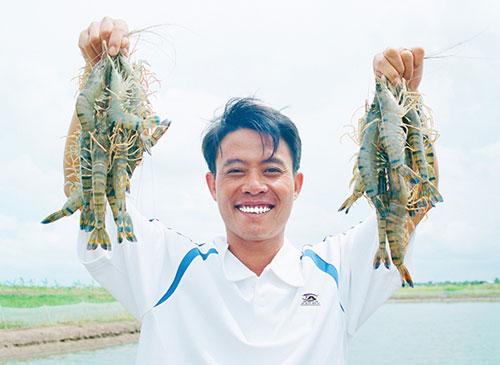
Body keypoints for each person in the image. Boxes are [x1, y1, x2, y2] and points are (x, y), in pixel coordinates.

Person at [65, 17, 439, 365]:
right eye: (236, 170)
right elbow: (85, 192)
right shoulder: (162, 266)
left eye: (272, 169)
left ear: (297, 185)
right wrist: (96, 78)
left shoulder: (339, 272)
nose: (255, 185)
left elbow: (413, 204)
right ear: (213, 185)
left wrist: (404, 100)